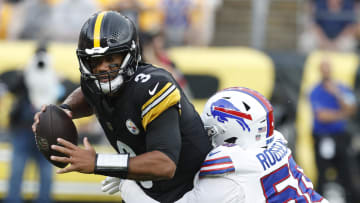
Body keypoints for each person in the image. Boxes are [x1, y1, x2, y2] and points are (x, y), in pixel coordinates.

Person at [32, 11, 212, 203]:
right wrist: (64, 110)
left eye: (111, 59)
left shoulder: (153, 86)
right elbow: (87, 92)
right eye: (95, 61)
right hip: (153, 192)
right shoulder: (95, 84)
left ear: (130, 55)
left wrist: (98, 162)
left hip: (196, 191)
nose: (102, 68)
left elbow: (164, 164)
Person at [101, 87, 328, 203]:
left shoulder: (229, 173)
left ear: (228, 132)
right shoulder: (275, 142)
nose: (205, 137)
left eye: (210, 132)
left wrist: (128, 181)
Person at [1, 44, 57, 203]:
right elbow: (9, 86)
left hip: (44, 131)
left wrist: (55, 78)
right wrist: (24, 73)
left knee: (45, 171)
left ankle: (44, 199)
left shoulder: (52, 76)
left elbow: (66, 92)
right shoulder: (23, 75)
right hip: (23, 131)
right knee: (17, 170)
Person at [309, 58, 356, 202]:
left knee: (346, 171)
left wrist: (337, 93)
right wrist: (343, 114)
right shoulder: (315, 91)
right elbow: (322, 116)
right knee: (322, 173)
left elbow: (352, 107)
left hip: (339, 136)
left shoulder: (341, 88)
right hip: (322, 136)